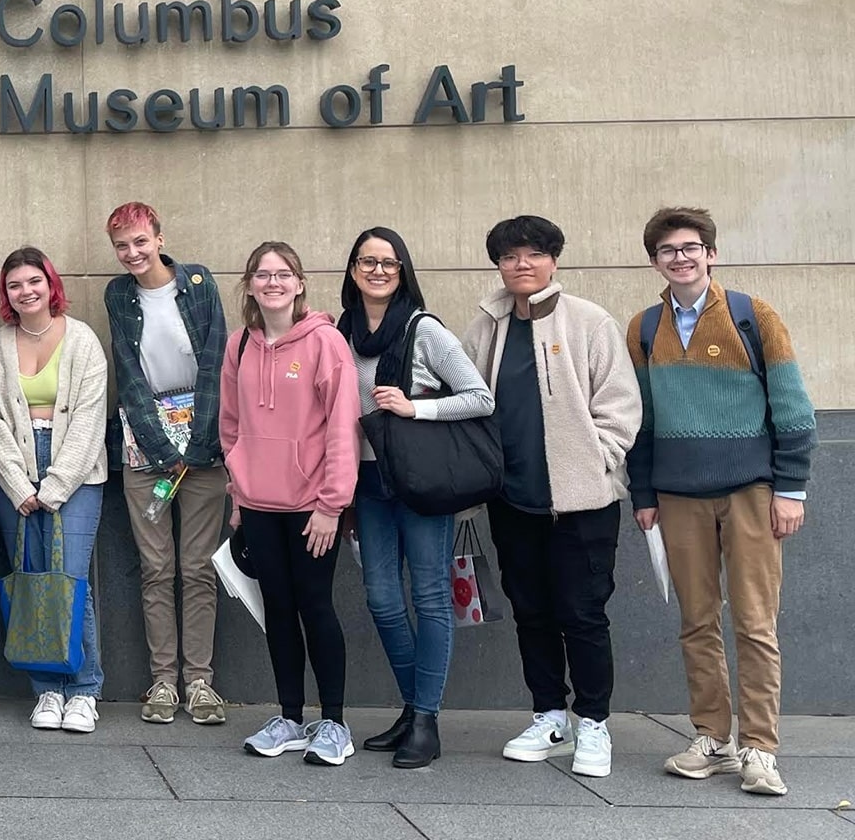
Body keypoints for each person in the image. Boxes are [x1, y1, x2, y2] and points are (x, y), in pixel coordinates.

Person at [628, 207, 817, 797]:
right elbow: (642, 421)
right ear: (654, 261)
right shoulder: (642, 327)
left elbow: (792, 408)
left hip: (751, 494)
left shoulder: (752, 316)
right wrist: (643, 494)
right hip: (677, 497)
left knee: (756, 623)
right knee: (696, 622)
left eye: (690, 247)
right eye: (667, 251)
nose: (680, 258)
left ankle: (760, 748)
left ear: (710, 252)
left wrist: (790, 488)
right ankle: (712, 736)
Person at [462, 215, 640, 778]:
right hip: (511, 501)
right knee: (531, 612)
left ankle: (593, 721)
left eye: (534, 254)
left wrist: (598, 460)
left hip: (582, 504)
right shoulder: (486, 326)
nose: (522, 264)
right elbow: (465, 397)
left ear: (553, 259)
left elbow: (619, 406)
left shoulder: (589, 321)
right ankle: (548, 714)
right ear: (499, 265)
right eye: (510, 256)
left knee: (582, 614)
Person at [336, 227, 493, 768]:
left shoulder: (424, 330)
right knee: (381, 598)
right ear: (352, 271)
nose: (378, 271)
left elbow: (480, 397)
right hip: (368, 483)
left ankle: (425, 719)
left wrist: (414, 407)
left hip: (423, 483)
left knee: (428, 598)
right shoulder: (342, 332)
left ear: (403, 271)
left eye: (389, 262)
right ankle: (413, 708)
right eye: (367, 262)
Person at [223, 241, 359, 767]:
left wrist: (331, 505)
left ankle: (335, 723)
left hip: (312, 508)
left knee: (315, 607)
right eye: (262, 274)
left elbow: (343, 430)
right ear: (250, 284)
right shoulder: (239, 346)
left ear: (300, 283)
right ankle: (290, 718)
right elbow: (230, 427)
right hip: (258, 506)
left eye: (283, 274)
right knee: (277, 610)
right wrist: (237, 494)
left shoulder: (325, 343)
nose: (272, 282)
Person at [101, 202, 229, 726]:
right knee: (156, 569)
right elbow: (127, 374)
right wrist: (161, 449)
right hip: (145, 451)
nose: (132, 253)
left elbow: (217, 361)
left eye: (140, 241)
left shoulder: (197, 282)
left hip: (204, 448)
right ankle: (162, 681)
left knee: (197, 568)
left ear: (159, 237)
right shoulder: (118, 294)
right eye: (122, 245)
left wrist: (198, 444)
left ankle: (199, 682)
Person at [0, 247, 109, 734]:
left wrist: (54, 487)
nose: (26, 291)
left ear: (49, 283)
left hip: (75, 473)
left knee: (68, 577)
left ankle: (84, 689)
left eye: (34, 281)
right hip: (13, 467)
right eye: (15, 285)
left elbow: (89, 419)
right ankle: (47, 691)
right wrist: (18, 483)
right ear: (6, 293)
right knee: (30, 575)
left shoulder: (82, 340)